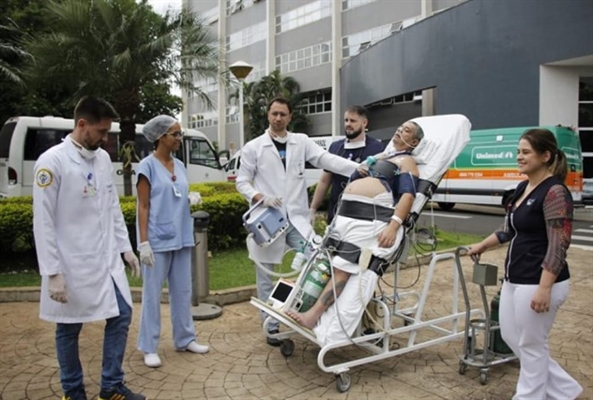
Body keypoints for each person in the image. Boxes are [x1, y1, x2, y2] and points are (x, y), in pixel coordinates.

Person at [33, 96, 145, 400]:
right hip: (71, 264)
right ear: (82, 125)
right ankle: (73, 391)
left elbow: (112, 207)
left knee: (121, 315)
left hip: (105, 260)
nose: (105, 139)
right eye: (101, 132)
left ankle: (110, 386)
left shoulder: (102, 159)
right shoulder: (51, 162)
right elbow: (42, 222)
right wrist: (52, 272)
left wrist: (126, 248)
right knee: (69, 328)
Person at [467, 129, 583, 400]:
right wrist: (482, 245)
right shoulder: (523, 187)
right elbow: (508, 229)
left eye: (526, 152)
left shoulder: (555, 192)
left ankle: (528, 396)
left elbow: (559, 244)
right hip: (515, 278)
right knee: (511, 337)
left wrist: (544, 288)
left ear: (546, 156)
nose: (519, 157)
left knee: (532, 344)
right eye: (518, 151)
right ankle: (567, 391)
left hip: (540, 280)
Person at [286, 120, 424, 345]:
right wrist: (360, 172)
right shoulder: (382, 157)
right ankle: (301, 304)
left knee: (342, 269)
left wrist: (394, 225)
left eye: (407, 130)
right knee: (324, 262)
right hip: (347, 217)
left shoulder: (406, 161)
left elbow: (408, 196)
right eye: (400, 127)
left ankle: (312, 316)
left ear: (415, 142)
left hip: (369, 221)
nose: (400, 129)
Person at [235, 97, 359, 346]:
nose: (278, 118)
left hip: (297, 219)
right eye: (274, 114)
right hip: (268, 219)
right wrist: (260, 197)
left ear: (290, 117)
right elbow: (241, 181)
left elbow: (326, 160)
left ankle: (304, 311)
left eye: (283, 114)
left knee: (316, 259)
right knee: (265, 274)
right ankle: (270, 324)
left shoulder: (300, 141)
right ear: (268, 116)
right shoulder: (253, 147)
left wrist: (356, 168)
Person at [135, 116, 209, 368]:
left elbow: (178, 195)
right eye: (174, 134)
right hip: (157, 240)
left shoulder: (180, 165)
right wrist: (143, 242)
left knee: (183, 292)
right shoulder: (146, 167)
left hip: (182, 236)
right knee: (152, 294)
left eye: (180, 134)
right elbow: (143, 206)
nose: (179, 139)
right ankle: (148, 346)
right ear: (160, 137)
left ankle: (185, 338)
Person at [310, 105, 385, 224]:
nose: (348, 124)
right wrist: (313, 209)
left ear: (364, 123)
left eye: (353, 121)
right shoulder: (335, 147)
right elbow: (324, 181)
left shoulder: (377, 148)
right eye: (346, 120)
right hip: (336, 215)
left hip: (364, 217)